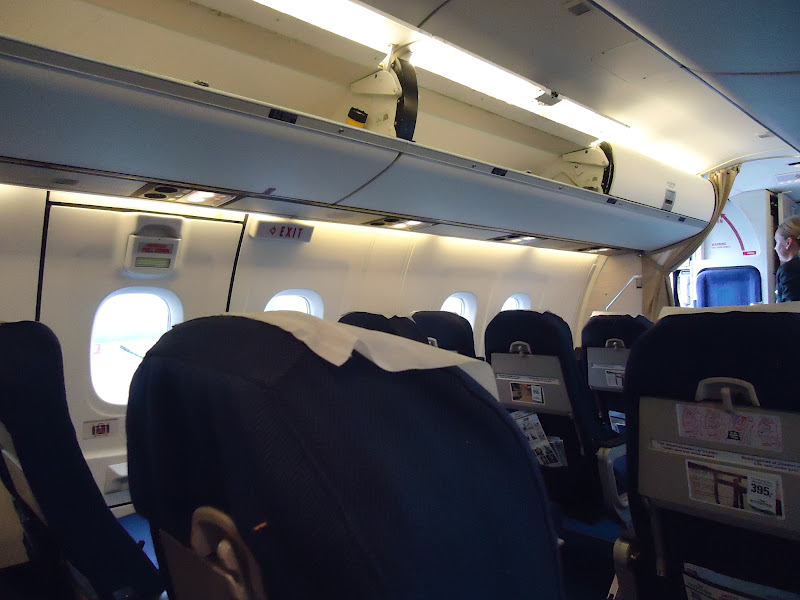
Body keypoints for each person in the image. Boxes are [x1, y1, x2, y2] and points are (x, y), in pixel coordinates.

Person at [774, 216, 800, 302]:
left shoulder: (788, 270)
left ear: (788, 242)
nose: (775, 248)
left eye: (777, 242)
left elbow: (790, 307)